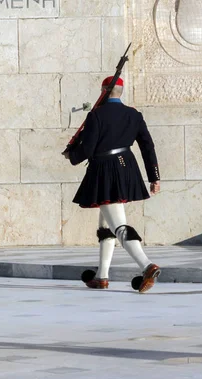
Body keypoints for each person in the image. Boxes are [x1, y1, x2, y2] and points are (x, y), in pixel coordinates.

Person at [63, 76, 162, 293]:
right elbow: (148, 147)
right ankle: (102, 276)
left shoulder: (96, 115)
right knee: (105, 225)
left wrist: (71, 155)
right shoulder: (133, 115)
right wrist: (154, 177)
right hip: (127, 168)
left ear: (103, 91)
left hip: (105, 170)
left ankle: (147, 265)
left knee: (118, 225)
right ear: (121, 92)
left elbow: (86, 149)